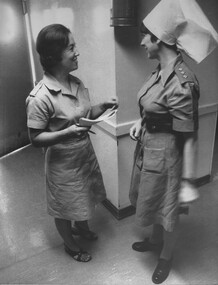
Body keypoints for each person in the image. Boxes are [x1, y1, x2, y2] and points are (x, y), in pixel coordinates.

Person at [129, 0, 218, 283]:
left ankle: (165, 258)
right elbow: (155, 107)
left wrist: (188, 180)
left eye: (145, 36)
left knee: (168, 211)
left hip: (168, 156)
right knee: (154, 201)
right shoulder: (159, 72)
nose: (142, 42)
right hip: (149, 147)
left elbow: (189, 135)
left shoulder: (182, 82)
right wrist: (140, 122)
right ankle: (155, 243)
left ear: (159, 39)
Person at [26, 24, 118, 262]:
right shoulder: (40, 97)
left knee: (85, 195)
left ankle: (82, 228)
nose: (77, 52)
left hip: (83, 155)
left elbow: (83, 115)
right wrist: (67, 133)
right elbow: (36, 138)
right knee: (65, 205)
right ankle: (70, 245)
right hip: (62, 163)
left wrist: (102, 106)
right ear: (55, 55)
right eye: (71, 47)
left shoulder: (75, 82)